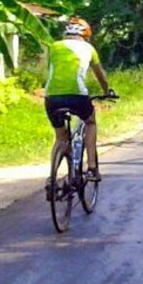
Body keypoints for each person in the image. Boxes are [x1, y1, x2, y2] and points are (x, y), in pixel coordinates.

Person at [44, 17, 113, 182]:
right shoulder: (88, 48)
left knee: (61, 138)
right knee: (90, 122)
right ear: (86, 35)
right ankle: (91, 168)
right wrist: (106, 91)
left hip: (52, 97)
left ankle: (52, 178)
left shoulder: (54, 47)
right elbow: (100, 74)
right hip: (77, 95)